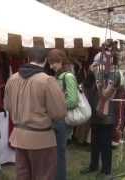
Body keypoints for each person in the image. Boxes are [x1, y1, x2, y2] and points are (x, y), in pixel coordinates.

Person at [4, 48, 67, 180]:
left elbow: (7, 106)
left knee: (23, 176)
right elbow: (59, 112)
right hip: (42, 140)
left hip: (20, 138)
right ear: (45, 61)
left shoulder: (12, 79)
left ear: (28, 59)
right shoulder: (47, 80)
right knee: (44, 176)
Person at [80, 58, 121, 179]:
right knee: (95, 142)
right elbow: (86, 86)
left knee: (105, 144)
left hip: (106, 115)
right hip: (95, 113)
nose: (96, 64)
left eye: (98, 62)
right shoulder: (96, 73)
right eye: (95, 62)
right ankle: (93, 166)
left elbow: (105, 93)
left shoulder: (114, 73)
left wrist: (97, 74)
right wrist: (90, 73)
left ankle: (106, 170)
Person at [47, 49, 79, 180]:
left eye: (53, 63)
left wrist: (55, 105)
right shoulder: (58, 76)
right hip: (56, 119)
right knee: (55, 153)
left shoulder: (68, 77)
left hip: (62, 120)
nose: (51, 66)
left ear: (60, 61)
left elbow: (72, 101)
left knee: (59, 153)